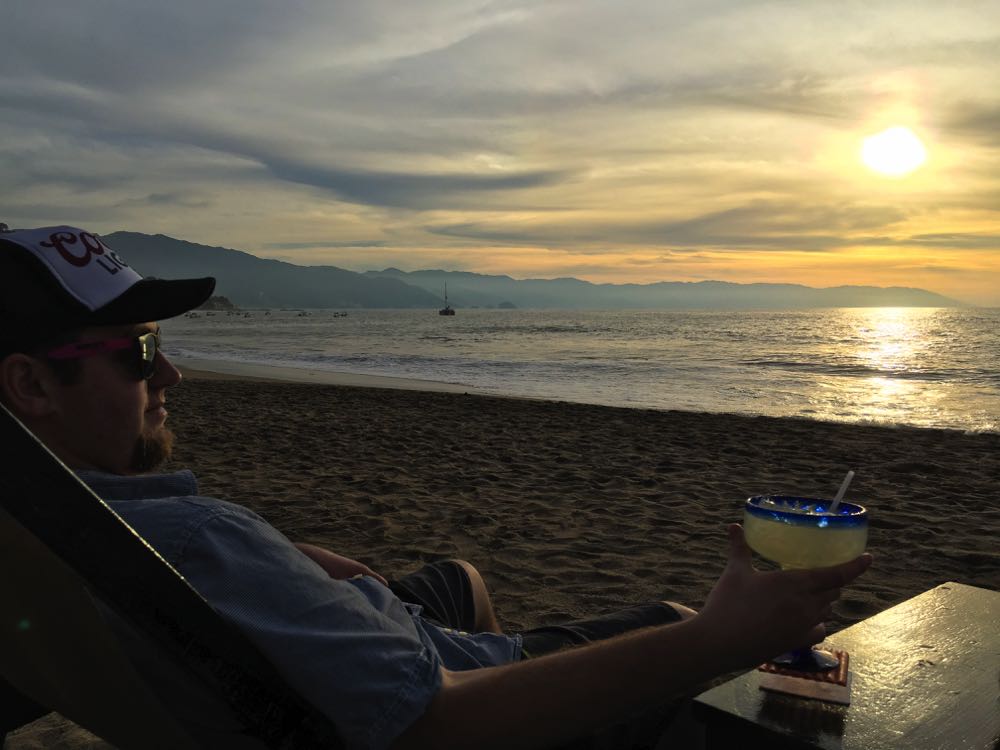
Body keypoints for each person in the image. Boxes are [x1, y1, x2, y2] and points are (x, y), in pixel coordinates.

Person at [0, 225, 872, 750]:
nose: (172, 377)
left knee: (460, 578)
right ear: (30, 386)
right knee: (685, 635)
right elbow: (434, 730)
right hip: (450, 711)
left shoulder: (59, 528)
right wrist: (717, 638)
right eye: (141, 350)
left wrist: (282, 560)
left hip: (312, 667)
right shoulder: (195, 542)